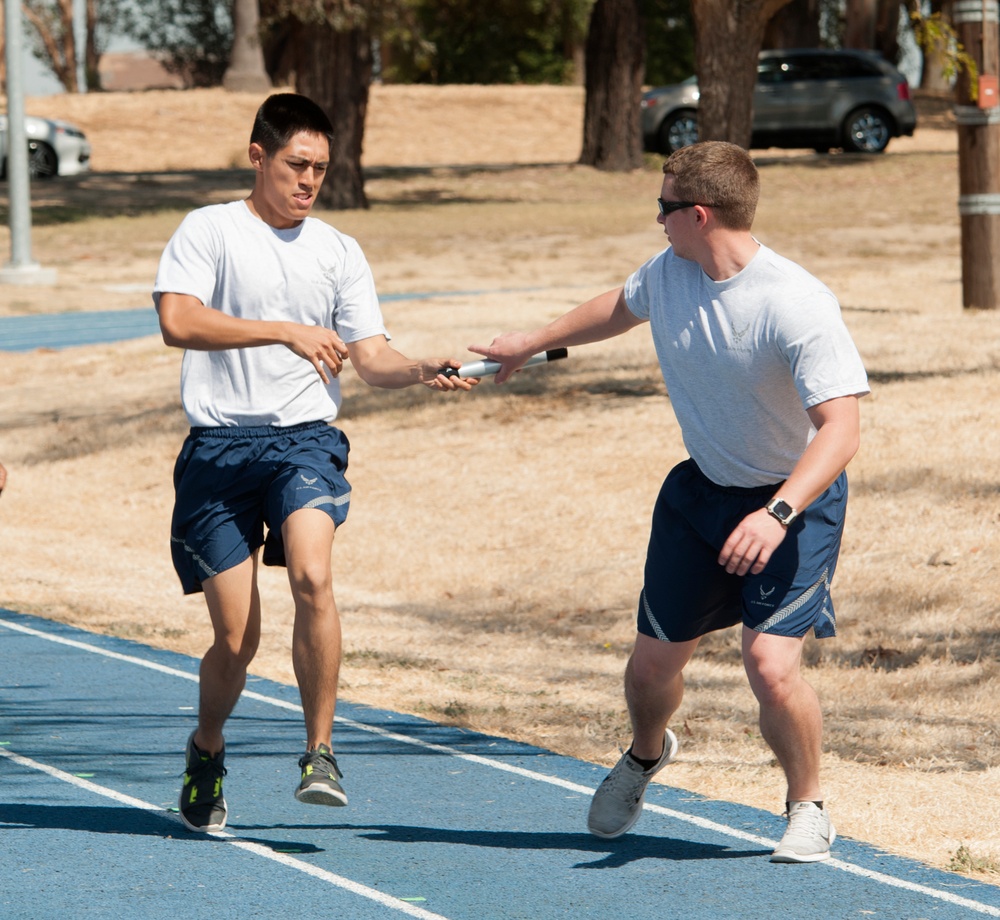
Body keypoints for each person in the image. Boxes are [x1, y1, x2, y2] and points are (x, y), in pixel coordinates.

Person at [470, 141, 868, 863]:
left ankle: (808, 807)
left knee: (772, 668)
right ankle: (646, 756)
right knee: (651, 669)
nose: (655, 220)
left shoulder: (796, 302)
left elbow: (841, 431)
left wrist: (776, 513)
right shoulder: (671, 271)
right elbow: (617, 307)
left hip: (792, 504)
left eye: (663, 207)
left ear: (700, 214)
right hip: (699, 497)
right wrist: (532, 341)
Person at [153, 93, 476, 834]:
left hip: (304, 441)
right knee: (236, 640)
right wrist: (284, 333)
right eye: (297, 164)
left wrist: (422, 365)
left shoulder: (337, 249)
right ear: (257, 156)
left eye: (321, 170)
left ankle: (320, 751)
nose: (308, 182)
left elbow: (370, 358)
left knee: (313, 574)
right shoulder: (208, 230)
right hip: (218, 450)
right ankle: (207, 748)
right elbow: (177, 322)